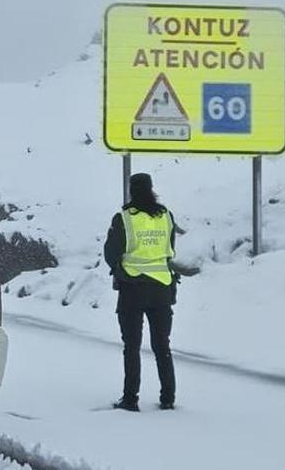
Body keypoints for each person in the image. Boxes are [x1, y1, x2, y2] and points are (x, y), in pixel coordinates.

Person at [104, 173, 178, 412]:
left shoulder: (124, 218)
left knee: (132, 346)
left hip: (133, 290)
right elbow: (170, 248)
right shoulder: (166, 216)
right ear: (151, 189)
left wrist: (118, 268)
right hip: (162, 288)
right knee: (162, 346)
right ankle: (168, 398)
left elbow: (112, 252)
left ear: (131, 191)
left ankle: (130, 399)